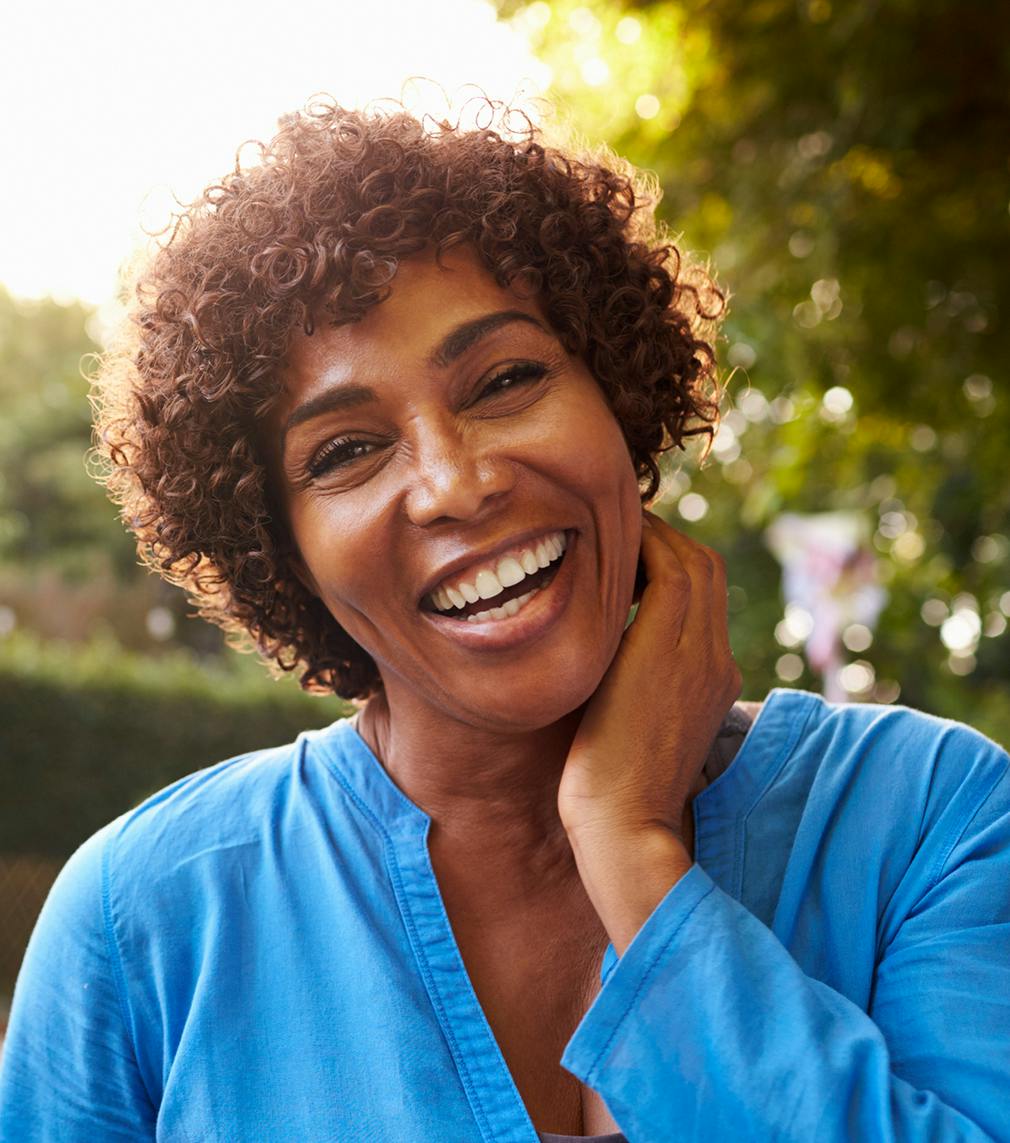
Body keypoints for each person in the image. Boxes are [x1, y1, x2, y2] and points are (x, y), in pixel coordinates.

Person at [0, 98, 1007, 1143]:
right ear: (279, 549)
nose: (454, 483)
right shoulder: (144, 921)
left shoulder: (927, 816)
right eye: (344, 452)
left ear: (618, 398)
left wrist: (631, 850)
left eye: (505, 380)